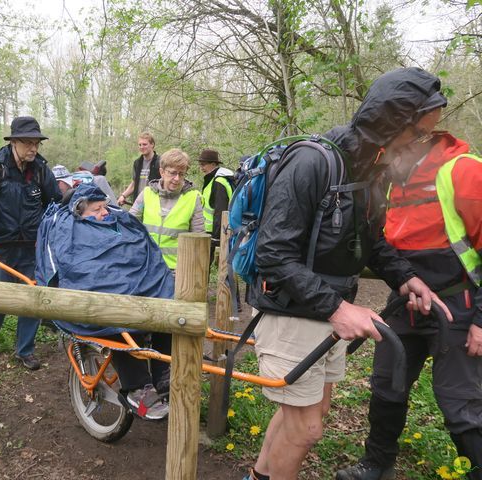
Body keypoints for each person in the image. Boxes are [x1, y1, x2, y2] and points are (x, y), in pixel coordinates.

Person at [243, 67, 452, 480]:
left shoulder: (371, 171)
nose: (420, 145)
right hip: (290, 309)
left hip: (327, 309)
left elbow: (371, 240)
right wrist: (339, 309)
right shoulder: (311, 161)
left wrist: (405, 278)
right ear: (390, 125)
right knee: (306, 428)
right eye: (418, 135)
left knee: (306, 416)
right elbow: (273, 253)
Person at [335, 127, 482, 479]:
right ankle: (377, 463)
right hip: (405, 302)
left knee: (460, 403)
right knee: (387, 384)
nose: (386, 159)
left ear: (416, 143)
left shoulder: (463, 170)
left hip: (459, 303)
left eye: (393, 151)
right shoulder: (391, 181)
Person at [35, 183, 173, 420]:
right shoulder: (70, 230)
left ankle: (165, 375)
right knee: (119, 322)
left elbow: (143, 250)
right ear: (81, 212)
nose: (104, 213)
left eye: (104, 207)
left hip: (139, 289)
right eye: (97, 209)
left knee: (167, 311)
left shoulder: (119, 224)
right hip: (103, 298)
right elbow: (76, 267)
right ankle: (137, 387)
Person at [0, 116, 61, 371]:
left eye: (37, 143)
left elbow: (56, 203)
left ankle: (25, 350)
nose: (33, 148)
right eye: (28, 143)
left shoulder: (40, 169)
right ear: (14, 142)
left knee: (32, 300)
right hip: (0, 246)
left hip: (31, 248)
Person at [129, 148, 204, 270]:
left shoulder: (193, 198)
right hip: (147, 266)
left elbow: (199, 240)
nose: (177, 178)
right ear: (162, 172)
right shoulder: (147, 194)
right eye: (173, 173)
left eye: (181, 174)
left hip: (177, 271)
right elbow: (130, 225)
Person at [197, 149, 235, 262]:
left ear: (213, 164)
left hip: (214, 231)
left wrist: (216, 237)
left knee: (205, 264)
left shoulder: (218, 182)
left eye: (204, 164)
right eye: (200, 164)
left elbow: (220, 211)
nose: (201, 168)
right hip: (212, 230)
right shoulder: (214, 179)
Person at [117, 132, 161, 206]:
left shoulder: (160, 162)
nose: (141, 147)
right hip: (138, 203)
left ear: (152, 144)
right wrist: (123, 196)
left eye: (144, 144)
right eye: (140, 145)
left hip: (154, 204)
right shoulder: (137, 163)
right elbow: (134, 183)